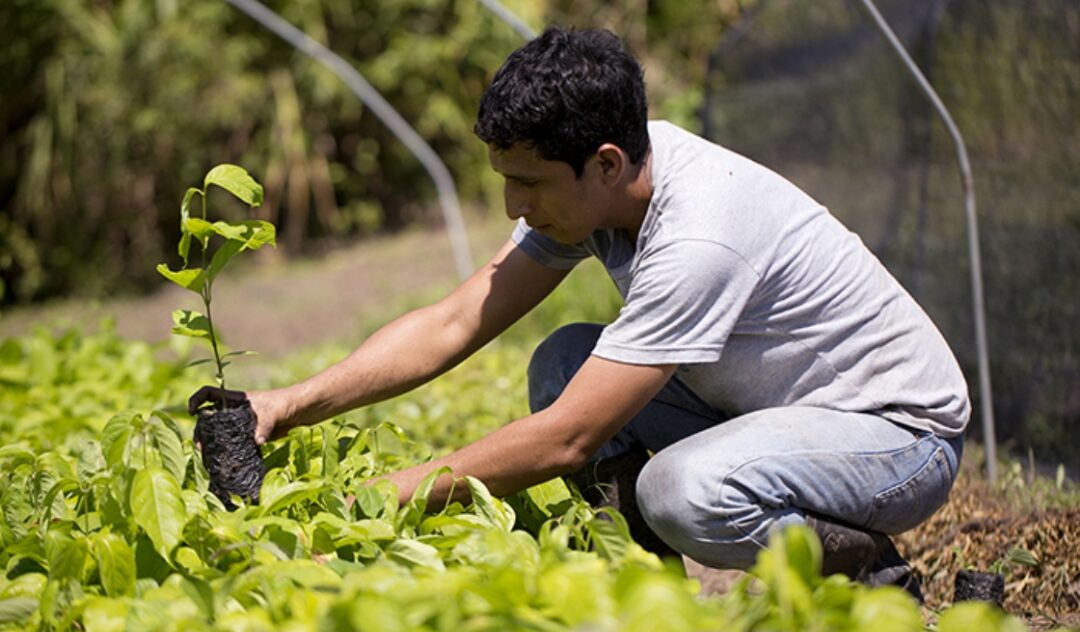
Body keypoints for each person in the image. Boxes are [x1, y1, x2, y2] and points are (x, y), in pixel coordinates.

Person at [190, 27, 969, 597]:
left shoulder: (699, 233)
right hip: (774, 406)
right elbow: (458, 320)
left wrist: (371, 499)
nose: (510, 206)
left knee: (682, 492)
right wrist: (286, 405)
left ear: (603, 163)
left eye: (528, 183)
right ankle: (649, 599)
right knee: (561, 361)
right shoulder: (615, 182)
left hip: (896, 434)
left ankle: (867, 570)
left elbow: (570, 439)